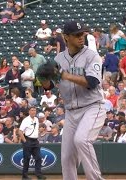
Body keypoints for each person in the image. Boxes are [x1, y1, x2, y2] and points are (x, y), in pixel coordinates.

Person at [37, 21, 106, 180]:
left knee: (82, 140)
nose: (81, 37)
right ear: (66, 37)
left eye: (82, 34)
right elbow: (50, 86)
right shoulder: (58, 59)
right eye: (77, 35)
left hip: (92, 107)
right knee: (67, 157)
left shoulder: (92, 55)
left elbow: (92, 82)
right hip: (71, 112)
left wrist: (64, 74)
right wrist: (43, 80)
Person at [18, 107, 46, 180]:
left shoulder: (36, 119)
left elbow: (36, 130)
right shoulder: (26, 120)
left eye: (35, 110)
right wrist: (25, 141)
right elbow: (20, 131)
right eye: (32, 110)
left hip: (35, 141)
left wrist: (37, 138)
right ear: (29, 111)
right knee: (27, 158)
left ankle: (38, 174)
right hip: (28, 140)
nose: (33, 112)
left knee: (38, 158)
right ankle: (24, 176)